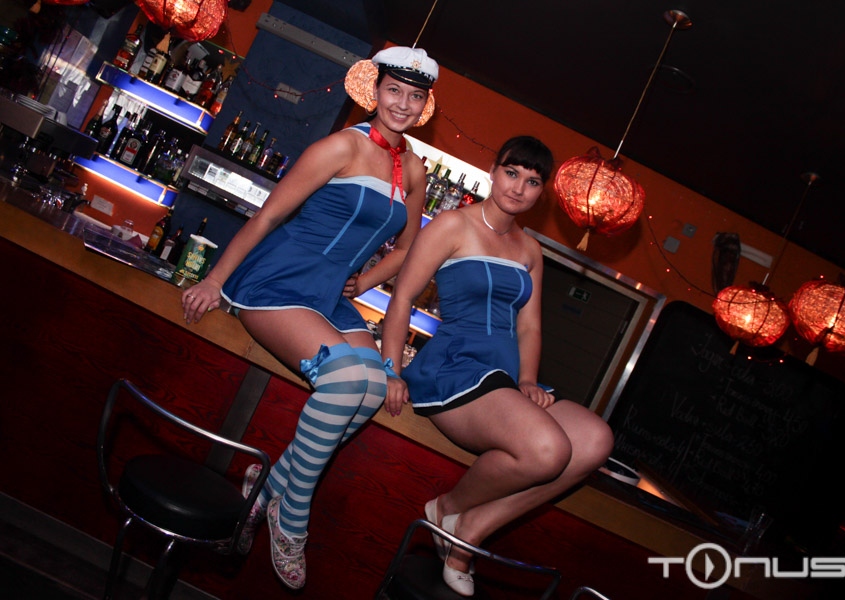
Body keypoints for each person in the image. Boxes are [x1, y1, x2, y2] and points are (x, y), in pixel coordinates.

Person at [180, 46, 439, 589]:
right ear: (375, 91)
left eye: (415, 96)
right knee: (347, 380)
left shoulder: (414, 169)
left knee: (372, 387)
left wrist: (363, 282)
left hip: (330, 295)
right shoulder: (341, 146)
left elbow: (407, 251)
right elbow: (269, 215)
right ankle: (292, 517)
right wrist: (214, 281)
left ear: (424, 106)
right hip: (279, 279)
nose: (402, 103)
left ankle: (270, 485)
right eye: (394, 90)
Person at [380, 136, 615, 596]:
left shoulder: (531, 251)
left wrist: (528, 380)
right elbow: (403, 297)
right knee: (548, 450)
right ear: (493, 171)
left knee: (594, 441)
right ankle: (448, 508)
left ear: (541, 193)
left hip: (504, 379)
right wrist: (390, 368)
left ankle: (469, 528)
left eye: (532, 181)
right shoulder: (453, 224)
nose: (518, 187)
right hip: (454, 369)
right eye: (512, 173)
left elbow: (530, 327)